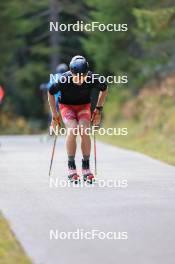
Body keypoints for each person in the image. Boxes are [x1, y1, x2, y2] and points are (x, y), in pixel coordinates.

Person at [48, 55, 108, 183]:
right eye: (77, 76)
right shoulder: (64, 79)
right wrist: (54, 115)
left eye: (83, 76)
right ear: (71, 72)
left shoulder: (92, 78)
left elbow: (104, 89)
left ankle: (86, 168)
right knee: (73, 129)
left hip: (83, 106)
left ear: (87, 73)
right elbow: (50, 92)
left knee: (85, 130)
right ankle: (71, 168)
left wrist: (98, 109)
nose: (80, 79)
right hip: (66, 106)